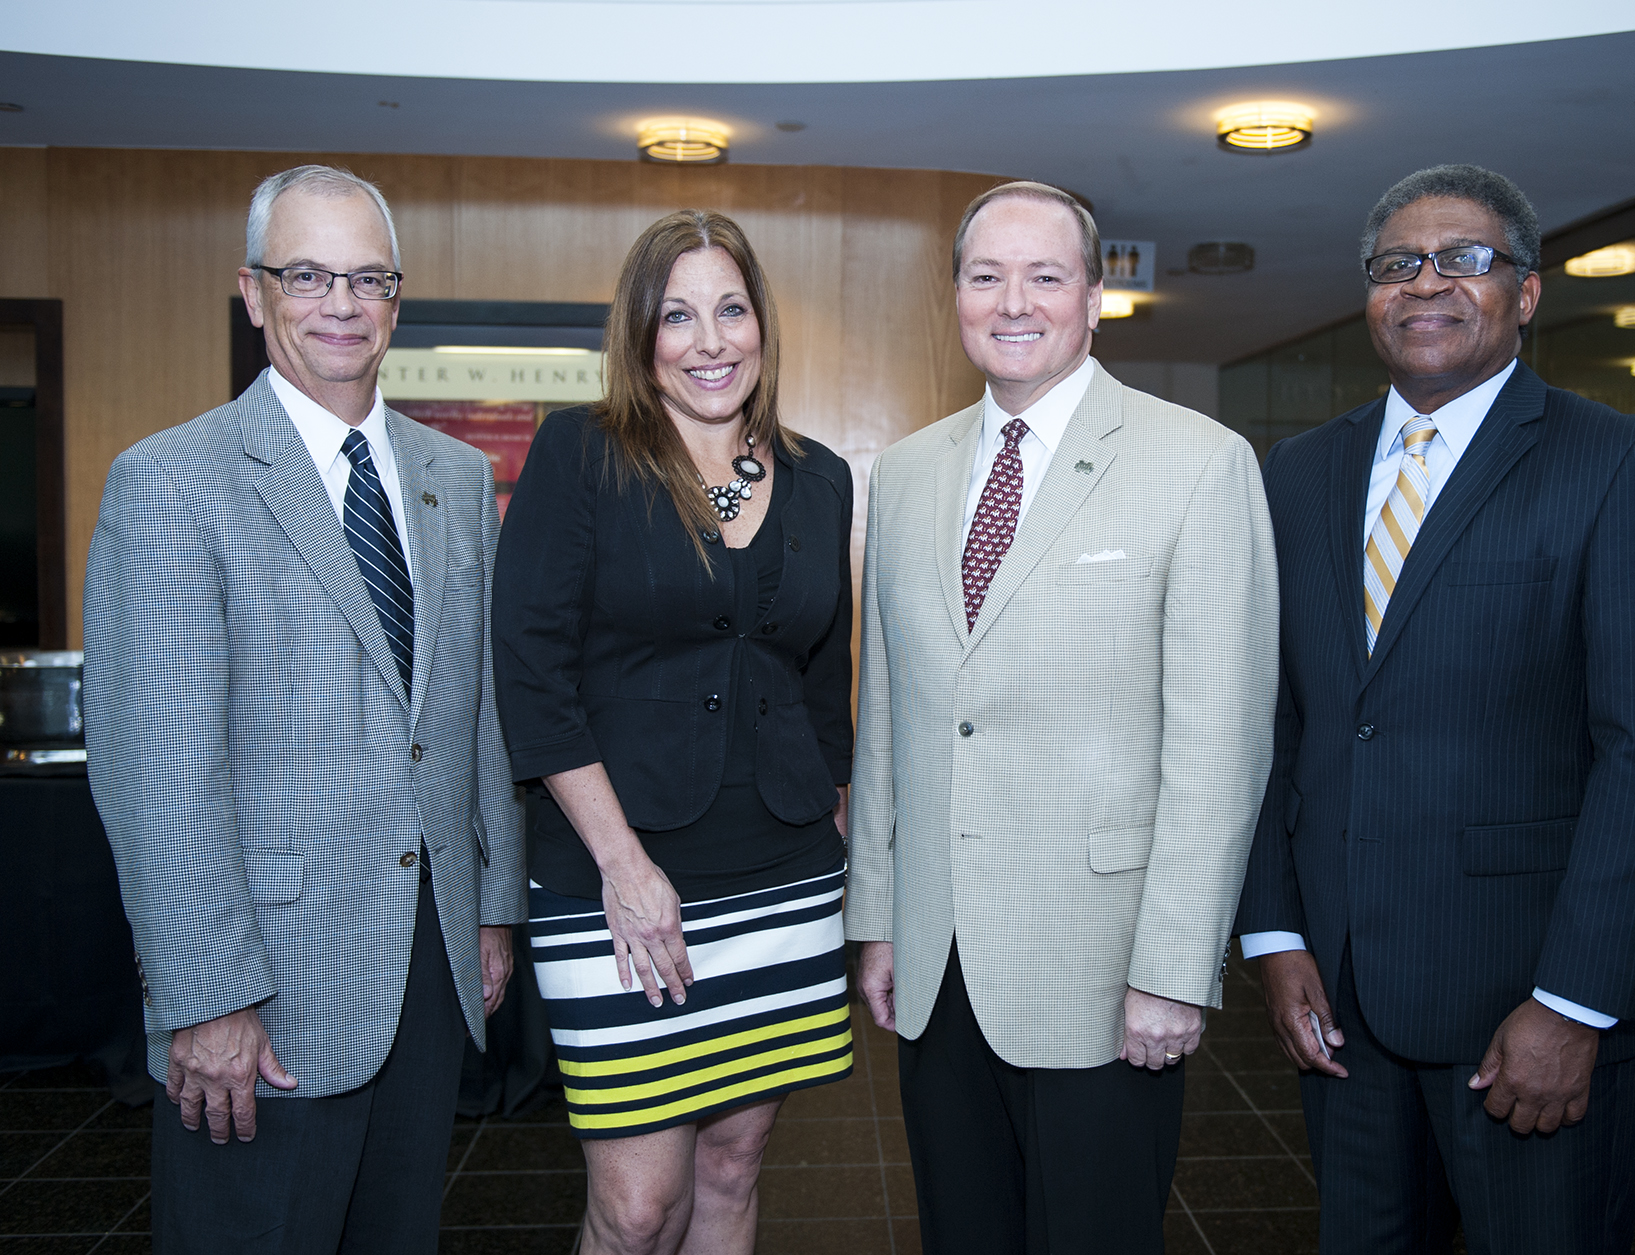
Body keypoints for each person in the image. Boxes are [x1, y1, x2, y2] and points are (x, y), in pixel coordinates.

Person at [1235, 164, 1635, 1255]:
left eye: (1465, 258)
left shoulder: (1622, 464)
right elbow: (1274, 724)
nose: (1426, 283)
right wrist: (1274, 931)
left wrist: (1576, 1003)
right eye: (1397, 263)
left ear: (1528, 292)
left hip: (1525, 1012)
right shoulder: (1298, 475)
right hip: (1342, 1002)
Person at [83, 164, 525, 1250]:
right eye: (309, 274)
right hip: (265, 992)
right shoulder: (173, 482)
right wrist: (209, 996)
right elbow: (159, 774)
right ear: (253, 291)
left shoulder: (455, 477)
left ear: (396, 297)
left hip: (428, 973)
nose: (340, 302)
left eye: (367, 277)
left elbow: (471, 720)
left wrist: (491, 905)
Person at [847, 181, 1279, 1253]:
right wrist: (880, 914)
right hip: (939, 962)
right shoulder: (904, 475)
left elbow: (1219, 750)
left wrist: (1174, 969)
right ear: (954, 295)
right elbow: (890, 713)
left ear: (1095, 294)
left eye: (1046, 275)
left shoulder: (1199, 464)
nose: (1014, 301)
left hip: (1105, 969)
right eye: (986, 276)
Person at [491, 208, 856, 1255]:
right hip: (620, 870)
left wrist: (839, 845)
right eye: (679, 314)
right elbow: (531, 671)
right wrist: (623, 865)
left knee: (735, 1164)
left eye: (731, 309)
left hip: (782, 867)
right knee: (638, 1204)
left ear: (761, 324)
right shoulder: (582, 453)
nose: (711, 340)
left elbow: (824, 685)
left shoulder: (820, 475)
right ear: (641, 334)